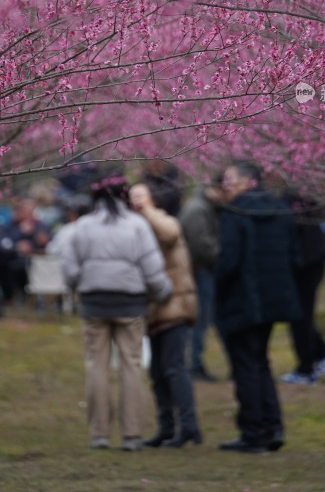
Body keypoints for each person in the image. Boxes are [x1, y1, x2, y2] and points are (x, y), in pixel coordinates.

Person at [61, 164, 172, 452]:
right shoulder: (136, 225)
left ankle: (99, 434)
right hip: (130, 304)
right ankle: (132, 434)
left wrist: (80, 286)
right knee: (131, 366)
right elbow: (152, 268)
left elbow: (70, 270)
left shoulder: (83, 226)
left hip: (94, 304)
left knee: (96, 366)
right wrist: (162, 292)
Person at [215, 160, 302, 454]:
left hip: (242, 299)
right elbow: (294, 256)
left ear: (246, 182)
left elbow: (228, 261)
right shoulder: (281, 210)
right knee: (261, 362)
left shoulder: (236, 212)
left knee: (245, 366)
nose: (224, 185)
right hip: (273, 300)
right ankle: (272, 426)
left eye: (229, 179)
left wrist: (217, 287)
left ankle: (253, 433)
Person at [129, 182, 202, 448]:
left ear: (152, 200)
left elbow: (169, 233)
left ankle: (189, 426)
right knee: (158, 372)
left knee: (174, 369)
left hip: (175, 305)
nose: (135, 200)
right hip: (154, 310)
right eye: (131, 196)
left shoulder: (164, 221)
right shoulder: (138, 228)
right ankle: (166, 427)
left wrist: (147, 210)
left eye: (140, 195)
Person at [280, 191, 325, 384]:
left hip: (305, 265)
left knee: (300, 316)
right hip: (310, 262)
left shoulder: (293, 200)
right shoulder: (301, 197)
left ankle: (307, 368)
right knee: (301, 315)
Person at [179, 177, 222, 382]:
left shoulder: (200, 206)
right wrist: (221, 255)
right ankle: (194, 363)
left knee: (200, 319)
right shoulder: (199, 209)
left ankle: (194, 362)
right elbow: (200, 246)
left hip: (197, 270)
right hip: (200, 271)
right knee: (200, 319)